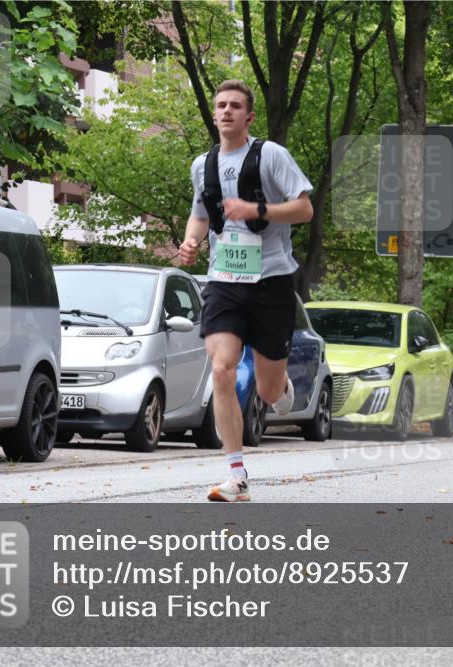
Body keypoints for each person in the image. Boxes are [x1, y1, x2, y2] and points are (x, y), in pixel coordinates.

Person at [178, 80, 313, 501]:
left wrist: (257, 210)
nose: (227, 111)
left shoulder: (270, 155)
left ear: (249, 116)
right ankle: (236, 476)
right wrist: (192, 242)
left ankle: (283, 387)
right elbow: (200, 214)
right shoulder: (204, 164)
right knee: (221, 368)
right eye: (221, 105)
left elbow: (305, 209)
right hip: (224, 281)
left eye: (236, 106)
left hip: (271, 281)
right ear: (215, 114)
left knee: (270, 393)